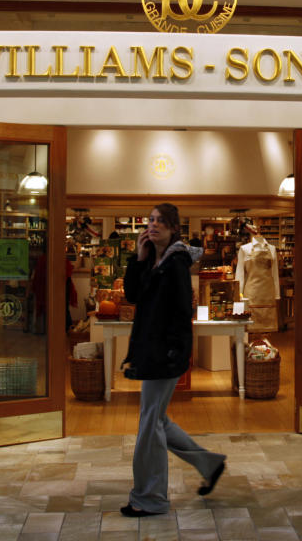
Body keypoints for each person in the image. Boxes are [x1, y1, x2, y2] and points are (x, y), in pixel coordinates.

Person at [119, 202, 226, 517]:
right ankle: (210, 464)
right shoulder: (153, 259)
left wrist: (174, 352)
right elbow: (133, 295)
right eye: (151, 220)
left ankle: (150, 497)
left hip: (163, 353)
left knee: (150, 424)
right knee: (157, 420)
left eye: (161, 222)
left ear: (174, 228)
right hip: (150, 350)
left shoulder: (177, 263)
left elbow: (182, 313)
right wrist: (139, 258)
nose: (153, 226)